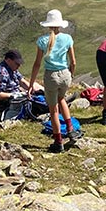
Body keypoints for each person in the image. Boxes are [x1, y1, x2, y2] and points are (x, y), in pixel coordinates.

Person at [28, 9, 77, 153]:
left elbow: (37, 64)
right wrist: (70, 75)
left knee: (53, 109)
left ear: (48, 25)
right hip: (65, 75)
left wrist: (31, 84)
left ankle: (58, 141)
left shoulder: (42, 41)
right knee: (62, 99)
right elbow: (73, 62)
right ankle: (71, 130)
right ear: (60, 24)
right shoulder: (68, 38)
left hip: (51, 76)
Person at [0, 49, 42, 121]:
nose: (19, 66)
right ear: (8, 60)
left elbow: (22, 82)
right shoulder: (1, 73)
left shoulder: (12, 69)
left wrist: (30, 89)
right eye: (17, 63)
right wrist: (15, 95)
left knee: (36, 86)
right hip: (6, 103)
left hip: (16, 96)